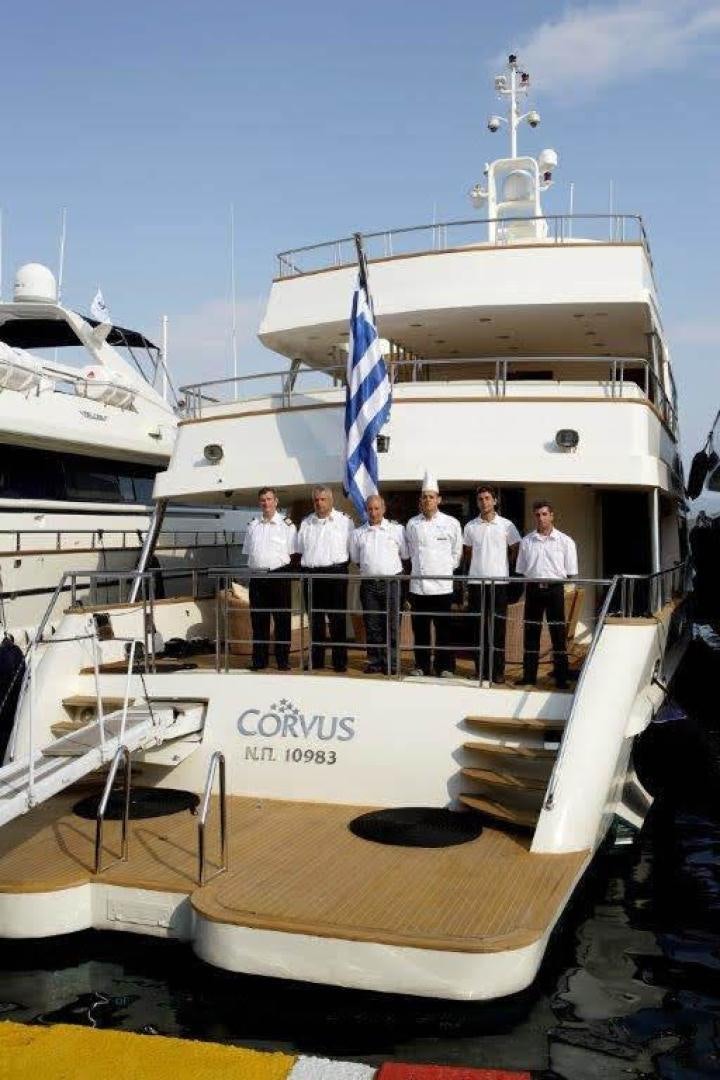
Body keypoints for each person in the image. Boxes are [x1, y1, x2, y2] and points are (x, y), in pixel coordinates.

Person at [405, 471, 463, 677]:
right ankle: (421, 665)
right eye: (424, 497)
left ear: (439, 499)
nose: (427, 500)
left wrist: (445, 569)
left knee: (444, 631)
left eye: (431, 496)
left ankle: (445, 666)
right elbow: (410, 552)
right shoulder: (412, 524)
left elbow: (457, 553)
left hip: (442, 586)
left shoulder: (452, 523)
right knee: (419, 631)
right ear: (420, 500)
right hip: (419, 587)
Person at [515, 500, 578, 689]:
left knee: (558, 635)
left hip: (555, 589)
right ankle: (529, 677)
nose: (541, 518)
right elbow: (523, 569)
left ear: (552, 516)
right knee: (531, 634)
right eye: (537, 515)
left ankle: (561, 677)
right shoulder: (526, 541)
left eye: (544, 514)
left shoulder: (566, 541)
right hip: (533, 590)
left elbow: (569, 571)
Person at [462, 485, 521, 683]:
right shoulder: (470, 526)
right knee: (477, 628)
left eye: (487, 498)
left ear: (494, 501)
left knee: (498, 628)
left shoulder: (507, 525)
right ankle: (481, 670)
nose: (484, 502)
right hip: (476, 583)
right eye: (481, 499)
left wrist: (502, 566)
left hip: (499, 583)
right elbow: (468, 554)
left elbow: (515, 549)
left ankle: (497, 672)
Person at [350, 493, 408, 674]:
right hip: (368, 585)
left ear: (383, 509)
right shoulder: (358, 533)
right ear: (366, 511)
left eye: (377, 508)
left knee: (392, 625)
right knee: (372, 624)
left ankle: (391, 663)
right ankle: (375, 661)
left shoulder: (397, 530)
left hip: (392, 583)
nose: (373, 513)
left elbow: (405, 554)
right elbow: (356, 558)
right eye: (370, 509)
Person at [297, 485, 352, 672]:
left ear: (331, 500)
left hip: (335, 574)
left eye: (323, 499)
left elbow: (352, 549)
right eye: (316, 500)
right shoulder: (306, 523)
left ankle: (339, 661)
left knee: (338, 620)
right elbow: (300, 550)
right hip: (311, 575)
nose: (319, 503)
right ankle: (317, 660)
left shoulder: (345, 522)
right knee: (315, 620)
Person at [242, 487, 297, 671]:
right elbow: (249, 552)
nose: (266, 503)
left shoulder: (287, 525)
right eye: (263, 500)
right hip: (257, 578)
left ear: (276, 501)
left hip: (279, 576)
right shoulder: (252, 526)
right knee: (258, 621)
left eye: (269, 499)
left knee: (282, 620)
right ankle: (259, 660)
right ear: (260, 503)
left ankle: (282, 660)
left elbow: (293, 552)